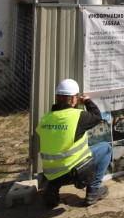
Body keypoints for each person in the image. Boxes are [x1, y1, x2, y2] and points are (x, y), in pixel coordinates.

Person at [36, 78, 112, 207]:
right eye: (76, 97)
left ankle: (52, 188)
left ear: (57, 97)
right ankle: (93, 191)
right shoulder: (78, 116)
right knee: (106, 148)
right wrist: (87, 100)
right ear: (72, 99)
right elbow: (97, 116)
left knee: (60, 164)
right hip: (74, 172)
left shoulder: (46, 118)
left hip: (50, 172)